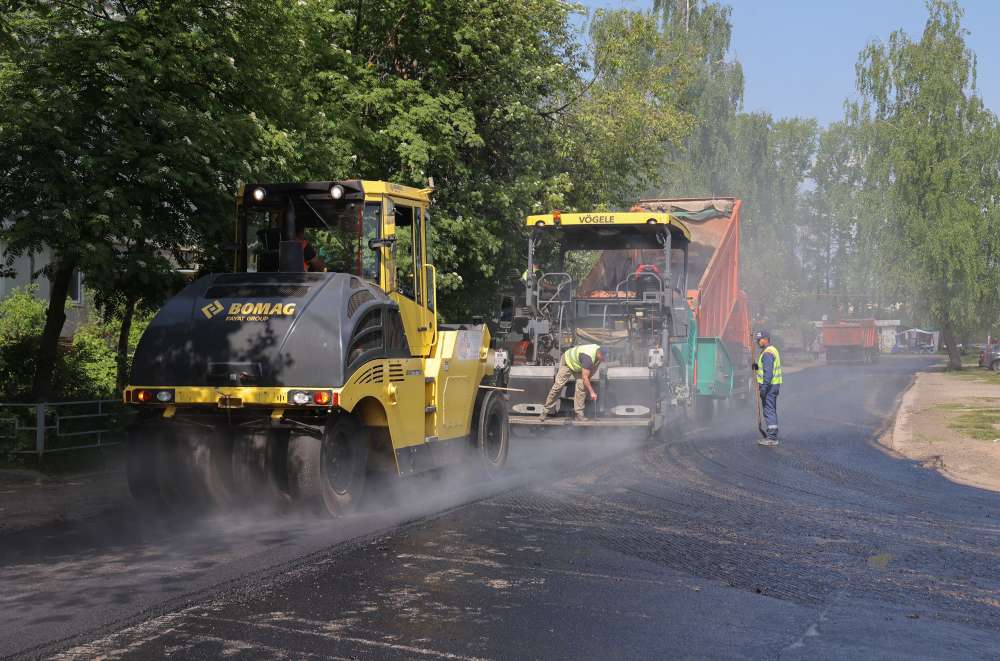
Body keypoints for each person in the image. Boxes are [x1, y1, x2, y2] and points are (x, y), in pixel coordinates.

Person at [538, 344, 607, 423]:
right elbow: (585, 378)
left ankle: (579, 414)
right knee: (558, 386)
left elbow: (589, 375)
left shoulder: (599, 356)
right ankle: (545, 411)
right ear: (599, 353)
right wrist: (592, 392)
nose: (603, 360)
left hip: (579, 365)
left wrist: (587, 386)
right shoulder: (588, 357)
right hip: (568, 361)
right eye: (603, 358)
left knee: (582, 386)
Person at [754, 330, 782, 447]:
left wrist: (764, 388)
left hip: (769, 386)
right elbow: (764, 368)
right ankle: (772, 435)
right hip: (774, 385)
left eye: (759, 339)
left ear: (766, 339)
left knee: (769, 410)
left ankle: (772, 438)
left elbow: (768, 373)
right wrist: (756, 367)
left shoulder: (767, 353)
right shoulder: (771, 350)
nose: (758, 342)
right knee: (771, 409)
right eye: (757, 340)